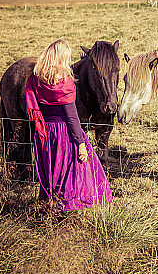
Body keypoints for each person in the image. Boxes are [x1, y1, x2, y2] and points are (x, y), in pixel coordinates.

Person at [25, 38, 113, 213]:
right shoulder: (65, 83)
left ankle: (49, 207)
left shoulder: (35, 79)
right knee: (74, 172)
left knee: (51, 171)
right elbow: (72, 117)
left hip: (44, 132)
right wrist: (81, 143)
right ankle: (69, 209)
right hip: (64, 132)